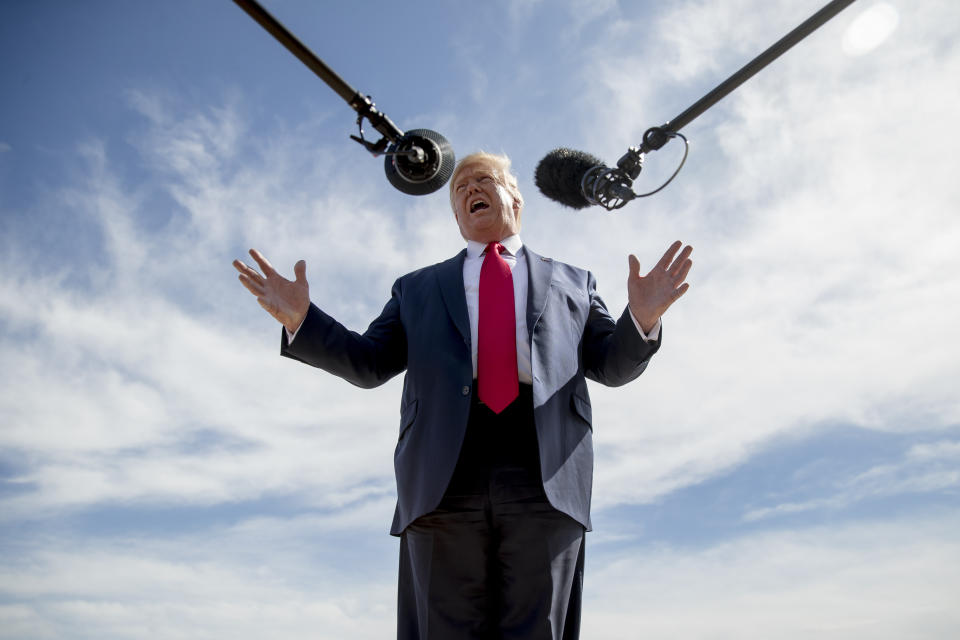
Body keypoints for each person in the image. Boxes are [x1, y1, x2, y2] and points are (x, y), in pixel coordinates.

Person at [233, 151, 693, 640]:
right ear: (456, 218)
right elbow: (368, 364)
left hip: (545, 470)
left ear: (514, 198)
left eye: (481, 180)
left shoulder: (575, 282)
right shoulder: (417, 288)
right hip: (441, 474)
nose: (469, 190)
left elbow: (611, 365)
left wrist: (642, 321)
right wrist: (302, 320)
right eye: (459, 191)